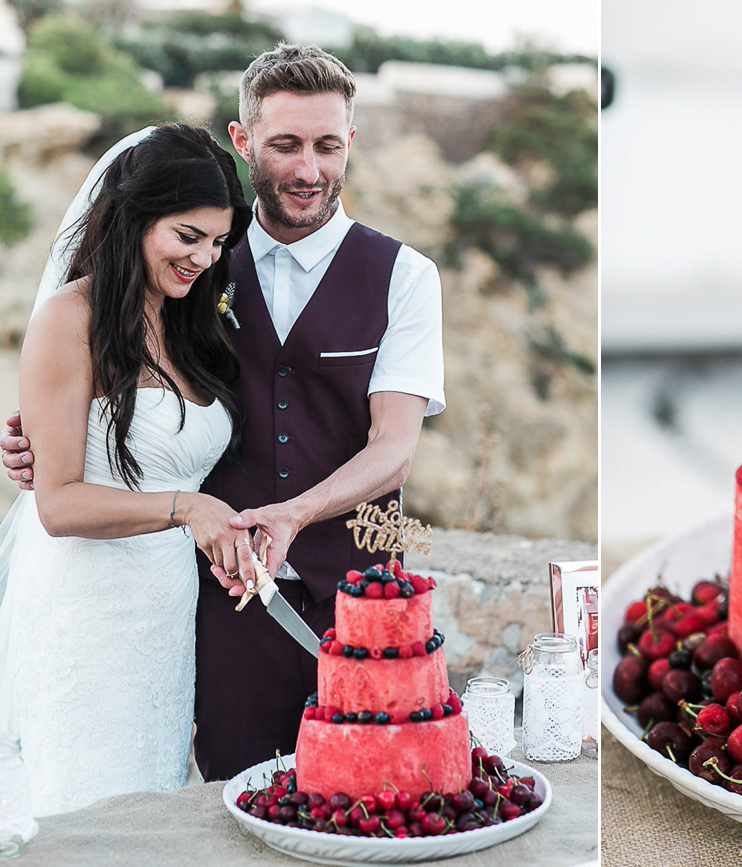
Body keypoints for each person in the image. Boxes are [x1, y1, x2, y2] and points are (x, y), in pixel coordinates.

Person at [4, 44, 446, 781]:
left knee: (380, 799)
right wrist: (43, 444)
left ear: (350, 144)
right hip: (220, 605)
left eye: (327, 146)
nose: (309, 170)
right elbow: (113, 383)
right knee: (224, 806)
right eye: (286, 145)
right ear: (243, 143)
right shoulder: (197, 261)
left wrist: (296, 514)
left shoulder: (405, 276)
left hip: (364, 600)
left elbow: (394, 449)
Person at [0, 123, 255, 816]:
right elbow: (56, 505)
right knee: (90, 814)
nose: (204, 257)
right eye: (186, 235)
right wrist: (187, 508)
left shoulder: (185, 322)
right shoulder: (68, 318)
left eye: (218, 241)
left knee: (150, 808)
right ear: (136, 219)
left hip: (165, 612)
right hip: (87, 611)